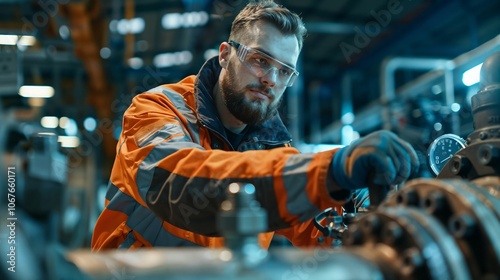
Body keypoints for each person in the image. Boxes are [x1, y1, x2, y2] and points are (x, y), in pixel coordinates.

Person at [91, 0, 419, 250]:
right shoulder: (154, 111)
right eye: (260, 60)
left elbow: (319, 232)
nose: (270, 80)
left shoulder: (275, 149)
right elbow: (185, 187)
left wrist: (363, 207)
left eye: (284, 71)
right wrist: (329, 169)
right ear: (224, 55)